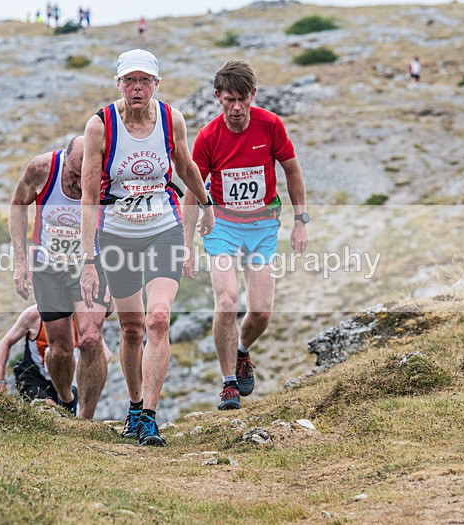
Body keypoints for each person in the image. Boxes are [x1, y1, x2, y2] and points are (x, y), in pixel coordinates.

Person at [80, 49, 214, 446]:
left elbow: (185, 165)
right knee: (131, 327)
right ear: (118, 84)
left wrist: (206, 204)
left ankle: (150, 418)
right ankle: (135, 406)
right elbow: (88, 198)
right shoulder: (100, 126)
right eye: (129, 81)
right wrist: (88, 260)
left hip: (162, 229)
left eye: (144, 81)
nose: (137, 88)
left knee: (157, 318)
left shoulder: (172, 119)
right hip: (117, 235)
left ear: (156, 83)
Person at [182, 60, 309, 411]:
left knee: (261, 312)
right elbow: (191, 191)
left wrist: (300, 221)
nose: (237, 108)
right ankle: (228, 384)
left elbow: (292, 169)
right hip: (222, 225)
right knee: (226, 302)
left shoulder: (270, 125)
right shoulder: (208, 137)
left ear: (253, 94)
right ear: (218, 97)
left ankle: (241, 352)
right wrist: (186, 245)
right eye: (229, 100)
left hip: (262, 225)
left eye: (242, 99)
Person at [10, 136, 110, 420]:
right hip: (48, 268)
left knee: (90, 338)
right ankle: (67, 398)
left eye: (86, 176)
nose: (79, 184)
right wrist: (20, 262)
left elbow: (119, 224)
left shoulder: (107, 176)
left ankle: (85, 420)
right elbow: (18, 204)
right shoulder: (42, 169)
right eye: (75, 175)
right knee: (61, 350)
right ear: (65, 161)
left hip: (91, 264)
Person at [0, 304, 112, 414]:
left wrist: (84, 371)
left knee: (65, 416)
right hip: (33, 376)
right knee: (49, 410)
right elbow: (5, 343)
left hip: (64, 380)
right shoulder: (33, 315)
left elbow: (104, 355)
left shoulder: (84, 321)